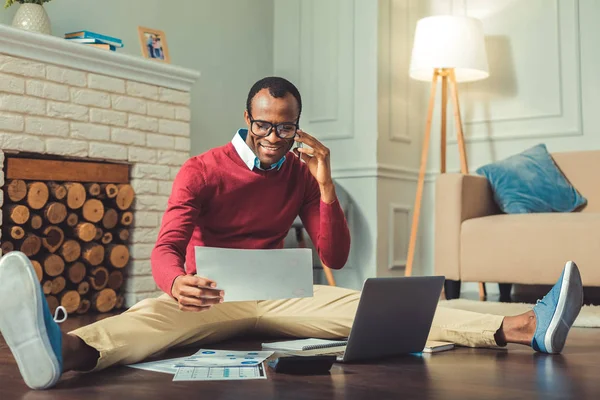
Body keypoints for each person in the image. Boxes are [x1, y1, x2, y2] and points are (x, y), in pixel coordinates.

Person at [0, 77, 584, 391]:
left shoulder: (303, 175)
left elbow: (335, 253)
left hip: (284, 295)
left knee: (377, 308)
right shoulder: (201, 169)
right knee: (146, 321)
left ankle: (523, 326)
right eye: (264, 126)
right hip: (211, 296)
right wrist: (177, 283)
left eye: (286, 127)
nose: (275, 138)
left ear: (297, 125)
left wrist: (327, 185)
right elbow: (165, 247)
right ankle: (65, 352)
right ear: (246, 119)